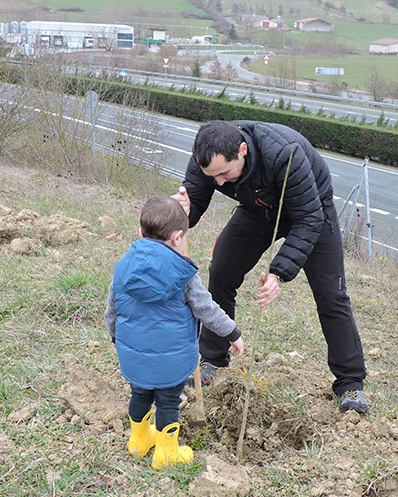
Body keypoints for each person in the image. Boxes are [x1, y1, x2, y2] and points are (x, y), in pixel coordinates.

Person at [173, 120, 369, 414]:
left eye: (224, 174)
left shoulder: (285, 154)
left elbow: (309, 219)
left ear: (242, 150)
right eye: (213, 177)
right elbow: (194, 200)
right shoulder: (207, 154)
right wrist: (180, 213)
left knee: (331, 294)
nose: (221, 183)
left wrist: (278, 273)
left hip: (311, 210)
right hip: (258, 208)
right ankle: (213, 358)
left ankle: (350, 382)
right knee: (222, 272)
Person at [104, 196, 245, 469]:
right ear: (177, 237)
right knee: (168, 402)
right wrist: (232, 333)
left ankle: (138, 441)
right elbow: (207, 309)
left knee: (139, 394)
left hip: (133, 357)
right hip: (173, 361)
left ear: (141, 231)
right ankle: (166, 453)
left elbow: (112, 310)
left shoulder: (123, 267)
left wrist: (115, 337)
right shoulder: (184, 274)